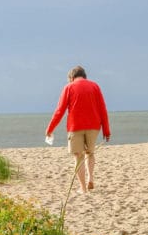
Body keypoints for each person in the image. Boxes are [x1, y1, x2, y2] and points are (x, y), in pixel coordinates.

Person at [45, 66, 111, 194]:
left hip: (75, 127)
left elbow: (60, 111)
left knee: (78, 157)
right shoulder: (95, 86)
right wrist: (106, 131)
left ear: (71, 77)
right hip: (94, 126)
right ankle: (90, 178)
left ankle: (83, 188)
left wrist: (50, 128)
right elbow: (103, 109)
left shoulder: (69, 87)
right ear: (84, 75)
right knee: (90, 153)